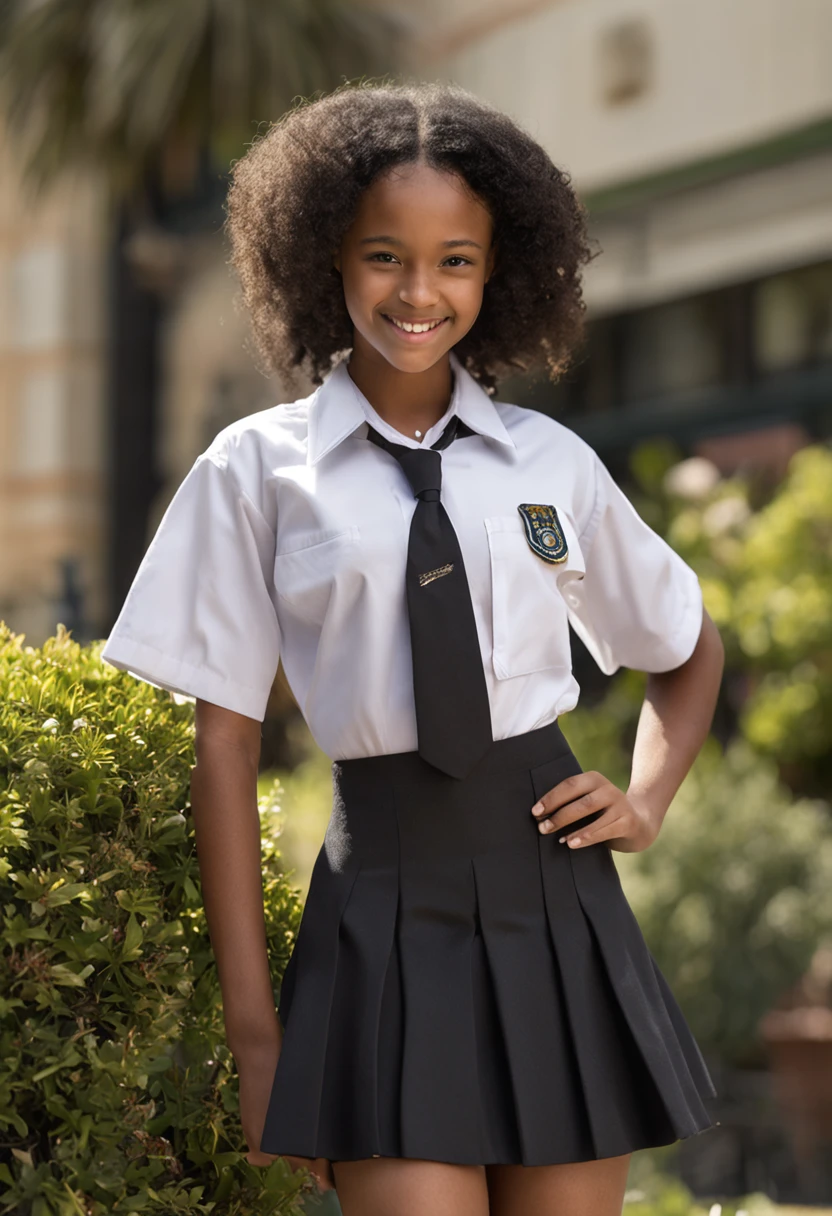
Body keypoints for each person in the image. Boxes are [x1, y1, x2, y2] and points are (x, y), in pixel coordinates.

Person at [101, 80, 725, 1216]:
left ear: (499, 272)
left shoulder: (551, 465)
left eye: (456, 260)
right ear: (324, 256)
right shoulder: (254, 471)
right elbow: (225, 754)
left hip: (556, 896)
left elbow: (683, 645)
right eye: (385, 254)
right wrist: (257, 1035)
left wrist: (645, 797)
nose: (419, 291)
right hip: (380, 904)